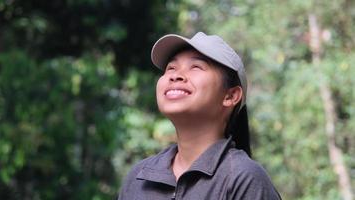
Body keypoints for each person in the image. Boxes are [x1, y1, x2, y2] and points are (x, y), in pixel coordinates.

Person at [117, 32, 281, 200]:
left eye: (196, 67)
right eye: (171, 68)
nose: (175, 75)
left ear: (230, 96)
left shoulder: (243, 179)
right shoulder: (138, 178)